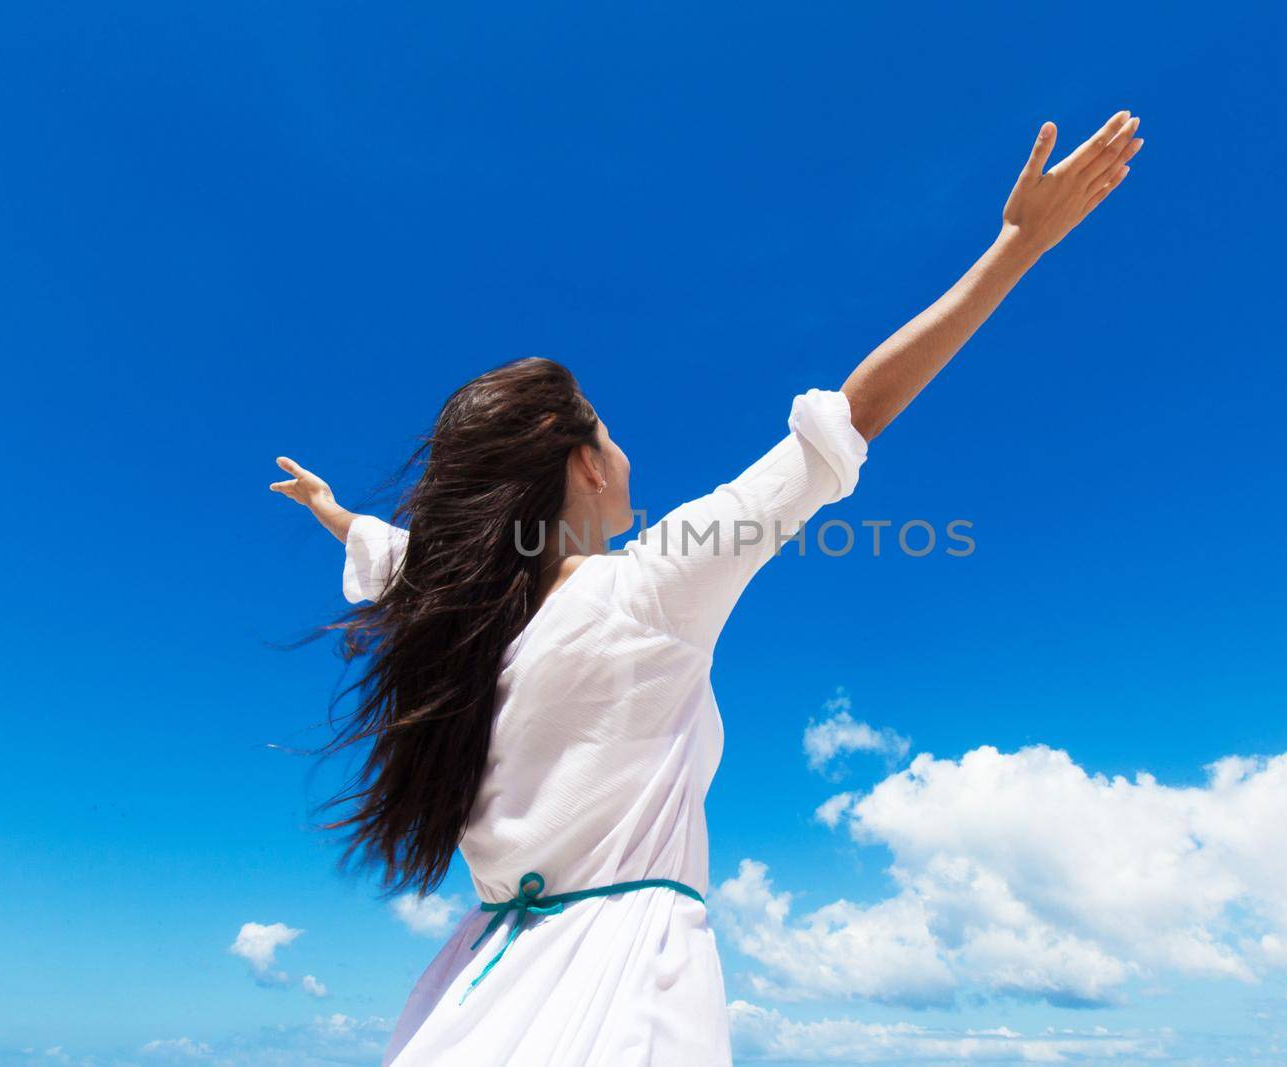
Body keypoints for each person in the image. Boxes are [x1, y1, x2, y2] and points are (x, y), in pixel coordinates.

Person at [270, 111, 1142, 1067]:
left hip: (472, 1002)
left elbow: (403, 558)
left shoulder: (467, 623)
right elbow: (851, 418)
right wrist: (1018, 247)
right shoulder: (650, 587)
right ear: (583, 465)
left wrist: (335, 513)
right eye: (604, 426)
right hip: (622, 991)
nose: (621, 442)